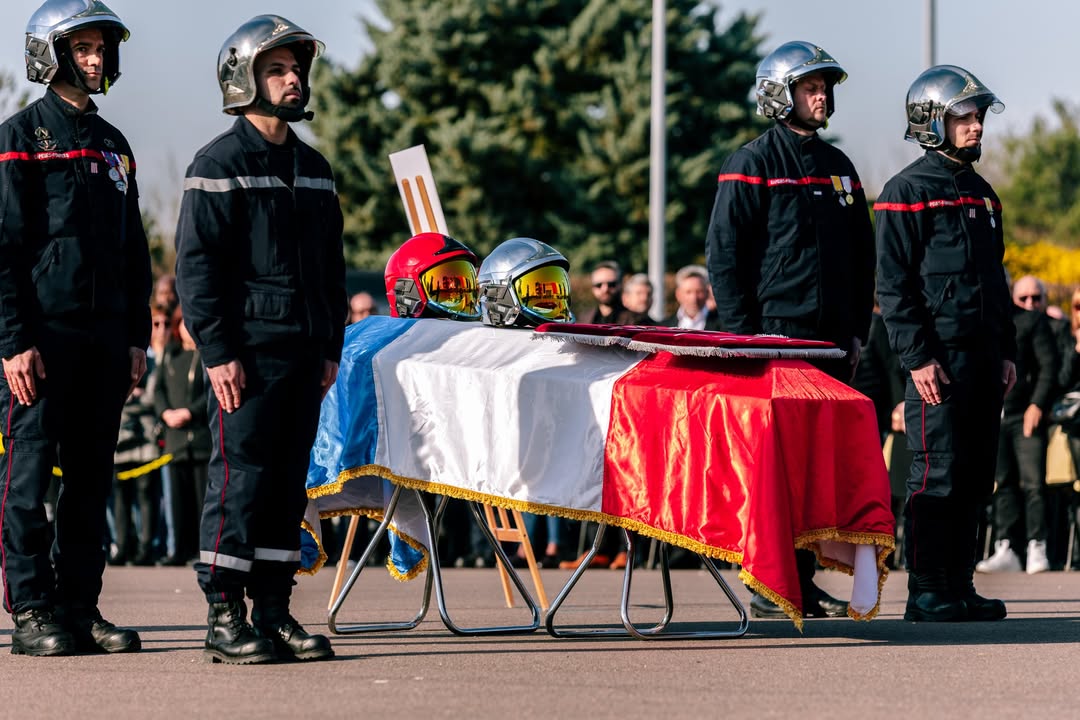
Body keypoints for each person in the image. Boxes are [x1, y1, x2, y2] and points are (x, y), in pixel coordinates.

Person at [175, 15, 345, 664]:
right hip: (245, 358)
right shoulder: (216, 165)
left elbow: (331, 268)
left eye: (296, 67)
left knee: (285, 488)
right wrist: (218, 353)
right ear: (243, 76)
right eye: (277, 69)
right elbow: (198, 270)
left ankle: (274, 612)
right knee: (239, 484)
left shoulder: (315, 167)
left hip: (304, 355)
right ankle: (225, 615)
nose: (293, 78)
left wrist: (330, 345)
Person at [704, 41, 874, 619]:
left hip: (831, 343)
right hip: (774, 338)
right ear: (779, 94)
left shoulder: (841, 167)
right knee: (775, 469)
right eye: (810, 86)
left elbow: (862, 257)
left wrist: (855, 332)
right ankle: (766, 582)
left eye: (825, 86)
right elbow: (724, 257)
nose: (822, 95)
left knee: (814, 468)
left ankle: (800, 579)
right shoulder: (751, 162)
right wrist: (745, 337)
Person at [0, 0, 150, 657]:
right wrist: (13, 343)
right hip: (41, 342)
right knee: (28, 482)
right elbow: (3, 251)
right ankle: (33, 611)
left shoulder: (116, 146)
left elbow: (135, 251)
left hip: (105, 342)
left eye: (100, 48)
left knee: (91, 483)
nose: (94, 59)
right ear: (50, 53)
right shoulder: (18, 138)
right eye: (81, 48)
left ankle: (80, 607)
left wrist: (138, 337)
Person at [875, 65, 1017, 622]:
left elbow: (996, 282)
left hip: (984, 359)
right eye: (964, 115)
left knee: (978, 472)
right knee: (938, 471)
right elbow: (893, 287)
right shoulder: (905, 192)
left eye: (979, 115)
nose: (976, 125)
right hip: (937, 360)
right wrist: (918, 360)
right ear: (931, 120)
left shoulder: (984, 195)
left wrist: (1006, 351)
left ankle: (960, 584)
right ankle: (927, 589)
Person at [977, 276, 1058, 574]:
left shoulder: (1031, 322)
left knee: (1034, 483)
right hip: (996, 414)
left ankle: (1038, 545)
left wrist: (1037, 404)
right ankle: (1006, 547)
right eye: (1022, 297)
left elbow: (1048, 366)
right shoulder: (988, 319)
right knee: (1004, 483)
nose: (1028, 303)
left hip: (1026, 413)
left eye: (1034, 297)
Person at [153, 305, 211, 567]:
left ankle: (203, 549)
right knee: (176, 500)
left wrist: (189, 412)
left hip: (199, 439)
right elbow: (159, 390)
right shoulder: (170, 356)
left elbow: (210, 394)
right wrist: (166, 413)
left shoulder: (207, 356)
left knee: (202, 500)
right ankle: (179, 550)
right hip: (175, 441)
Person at [577, 261, 651, 325]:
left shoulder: (637, 321)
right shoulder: (583, 319)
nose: (605, 289)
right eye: (599, 285)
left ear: (620, 285)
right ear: (593, 288)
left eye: (611, 284)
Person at [661, 265, 722, 330]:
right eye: (688, 292)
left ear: (707, 293)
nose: (694, 298)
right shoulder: (664, 327)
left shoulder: (723, 326)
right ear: (678, 294)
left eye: (699, 292)